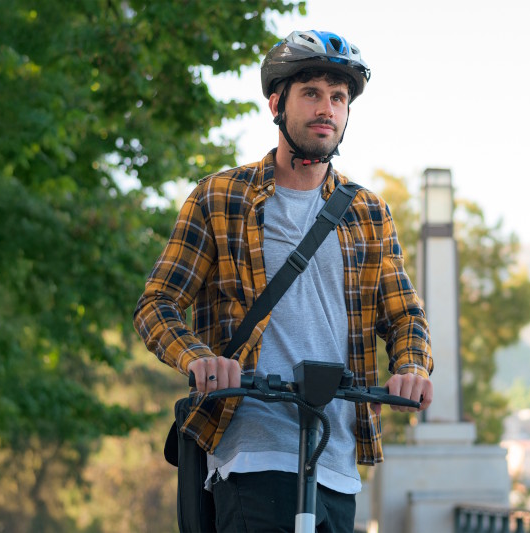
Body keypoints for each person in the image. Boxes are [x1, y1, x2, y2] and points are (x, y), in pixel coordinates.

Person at [134, 30, 434, 532]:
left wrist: (411, 367)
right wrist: (198, 358)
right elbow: (157, 303)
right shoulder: (220, 197)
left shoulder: (367, 213)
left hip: (336, 457)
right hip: (252, 449)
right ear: (277, 103)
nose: (327, 108)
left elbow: (405, 315)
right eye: (312, 93)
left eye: (338, 98)